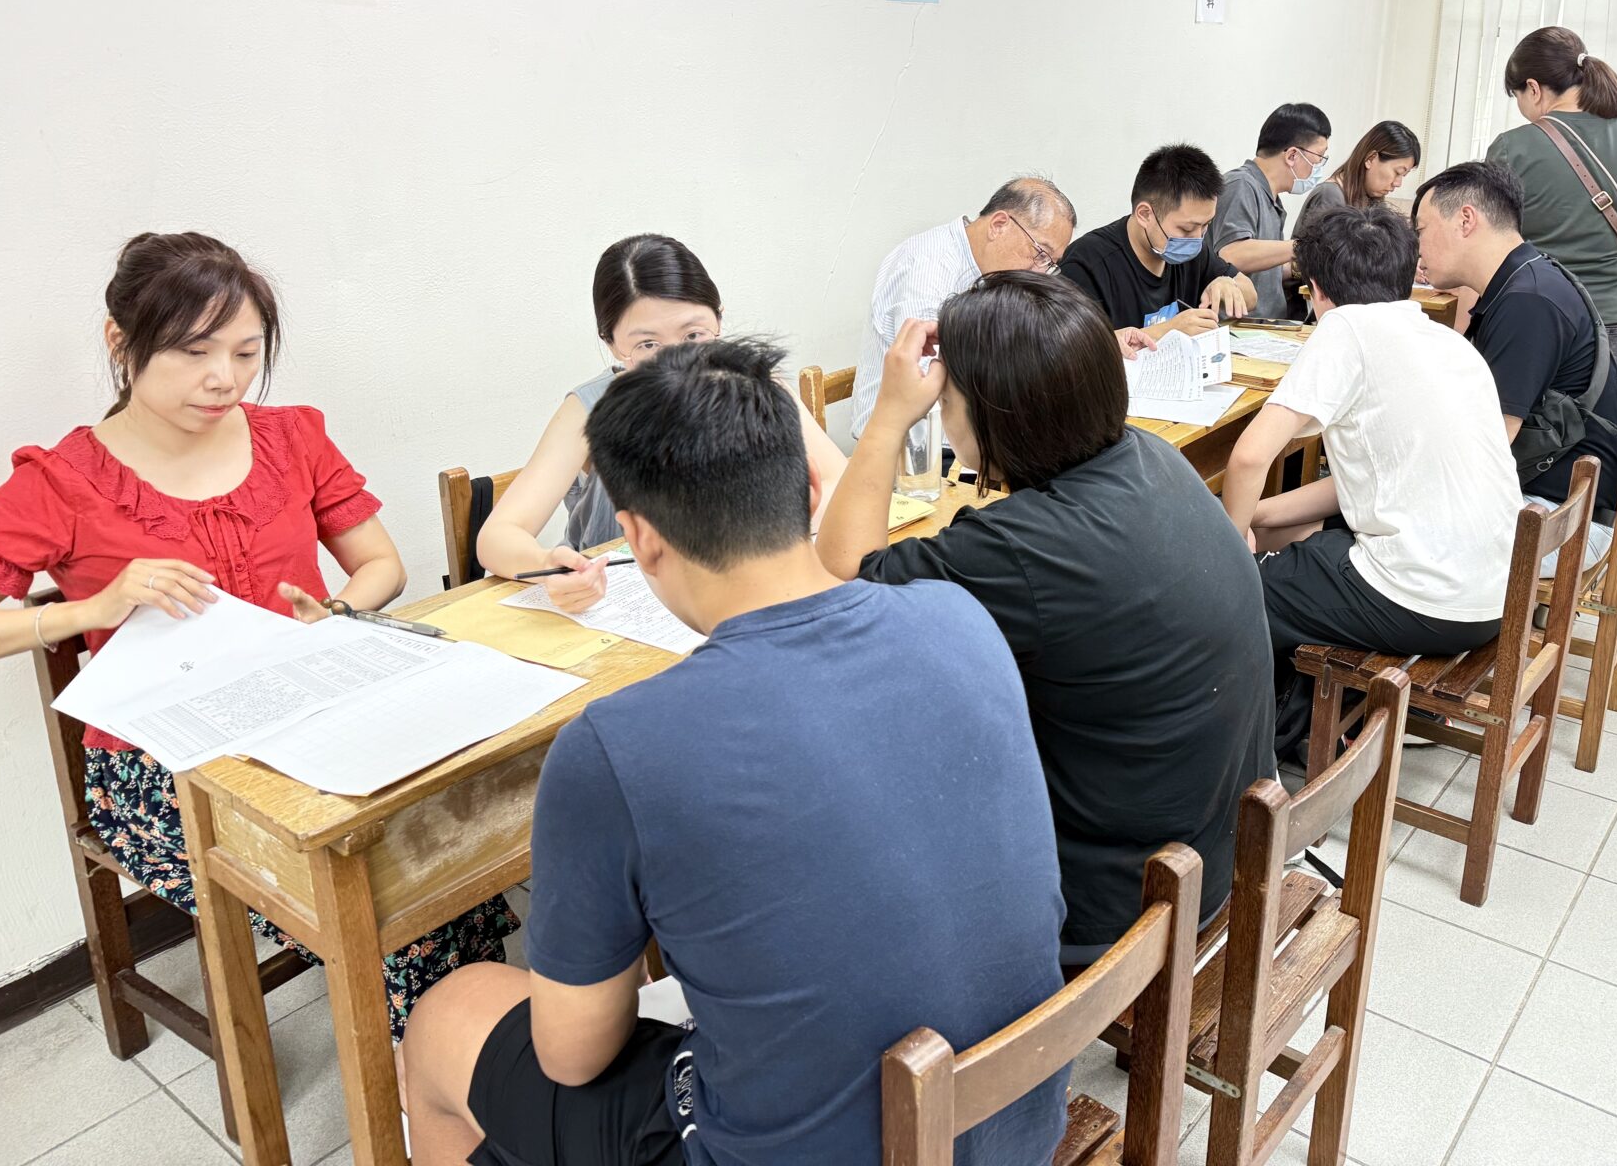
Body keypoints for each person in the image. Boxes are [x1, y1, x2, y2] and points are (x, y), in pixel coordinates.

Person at [402, 337, 1069, 1166]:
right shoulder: (958, 615)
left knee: (447, 1016)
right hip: (1017, 1126)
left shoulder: (613, 746)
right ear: (809, 488)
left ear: (638, 538)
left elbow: (572, 1057)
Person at [0, 232, 514, 1038]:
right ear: (121, 342)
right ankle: (442, 1056)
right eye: (193, 351)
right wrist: (89, 611)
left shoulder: (291, 438)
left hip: (302, 711)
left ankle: (462, 1045)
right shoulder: (62, 482)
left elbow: (380, 566)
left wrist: (333, 616)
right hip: (167, 767)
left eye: (245, 352)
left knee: (440, 820)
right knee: (380, 877)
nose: (223, 378)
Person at [816, 273, 1272, 963]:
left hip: (1121, 907)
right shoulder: (1149, 455)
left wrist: (887, 417)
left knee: (868, 806)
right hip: (1218, 847)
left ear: (997, 414)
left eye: (948, 399)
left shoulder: (1022, 547)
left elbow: (842, 576)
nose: (943, 413)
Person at [1221, 206, 1522, 756]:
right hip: (1493, 596)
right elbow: (1376, 479)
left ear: (1316, 290)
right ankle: (1318, 720)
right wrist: (1258, 518)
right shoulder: (1447, 342)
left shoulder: (1345, 328)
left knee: (1235, 592)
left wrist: (1227, 542)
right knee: (1301, 546)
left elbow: (1247, 458)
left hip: (1425, 600)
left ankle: (1268, 744)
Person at [476, 234, 846, 610]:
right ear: (612, 344)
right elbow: (498, 536)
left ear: (718, 319)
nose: (678, 362)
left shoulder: (751, 386)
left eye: (693, 335)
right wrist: (547, 565)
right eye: (649, 345)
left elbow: (838, 482)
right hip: (621, 614)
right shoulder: (590, 408)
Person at [1412, 161, 1617, 570]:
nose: (1417, 246)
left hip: (1558, 521)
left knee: (1371, 528)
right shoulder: (1527, 277)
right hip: (1549, 502)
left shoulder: (1527, 301)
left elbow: (1490, 441)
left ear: (1466, 220)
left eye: (1421, 229)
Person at [850, 177, 1153, 437]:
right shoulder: (927, 268)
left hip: (971, 436)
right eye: (1040, 253)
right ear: (999, 225)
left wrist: (1095, 344)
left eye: (1051, 263)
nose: (1041, 272)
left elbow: (1026, 342)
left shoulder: (996, 270)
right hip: (910, 452)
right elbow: (934, 386)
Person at [1488, 27, 1617, 410]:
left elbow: (1489, 252)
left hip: (1534, 317)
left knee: (1526, 430)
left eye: (1518, 97)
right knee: (1602, 432)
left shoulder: (1511, 148)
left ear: (1533, 88)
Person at [1060, 143, 1256, 336]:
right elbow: (1077, 348)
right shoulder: (1087, 264)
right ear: (1145, 214)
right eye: (1186, 229)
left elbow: (1251, 296)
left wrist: (1227, 286)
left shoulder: (1193, 250)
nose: (1197, 238)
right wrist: (1168, 330)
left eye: (1206, 225)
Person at [1207, 103, 1334, 316]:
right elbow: (1232, 255)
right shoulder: (1241, 185)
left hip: (1268, 324)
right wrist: (1302, 247)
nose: (1318, 168)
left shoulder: (1270, 198)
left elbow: (1262, 272)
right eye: (1319, 159)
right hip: (1238, 328)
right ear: (1292, 155)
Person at [1294, 119, 1423, 243]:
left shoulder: (1373, 202)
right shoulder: (1330, 195)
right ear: (1371, 158)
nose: (1398, 183)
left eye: (1403, 176)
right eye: (1397, 172)